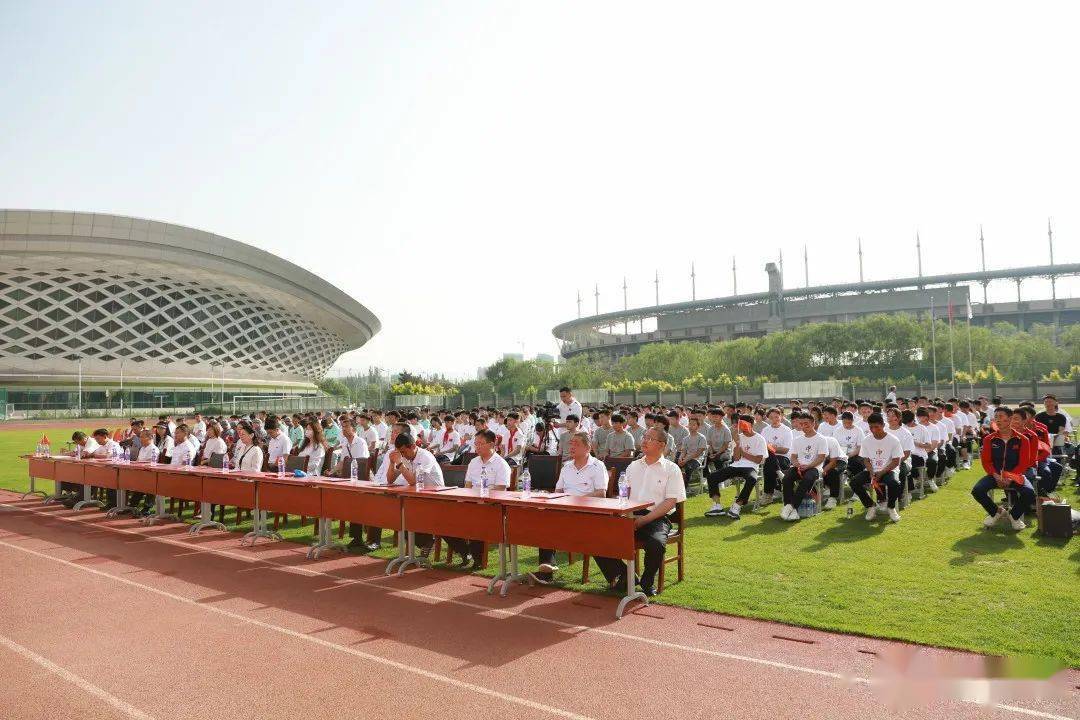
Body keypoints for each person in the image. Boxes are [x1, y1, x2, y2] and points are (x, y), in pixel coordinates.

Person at [593, 427, 686, 597]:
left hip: (657, 517)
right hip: (630, 514)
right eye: (644, 437)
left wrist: (644, 520)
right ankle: (624, 576)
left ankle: (646, 582)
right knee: (596, 537)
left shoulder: (671, 469)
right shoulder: (633, 466)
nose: (644, 441)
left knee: (656, 544)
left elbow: (670, 501)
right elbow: (624, 494)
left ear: (662, 445)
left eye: (650, 438)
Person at [531, 431, 607, 584]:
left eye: (576, 444)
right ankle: (547, 568)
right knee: (544, 518)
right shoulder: (566, 467)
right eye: (571, 443)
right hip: (564, 510)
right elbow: (558, 491)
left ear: (588, 447)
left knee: (551, 521)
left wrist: (576, 501)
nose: (572, 447)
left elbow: (601, 494)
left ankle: (547, 571)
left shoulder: (597, 466)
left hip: (587, 513)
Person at [972, 406, 1034, 531]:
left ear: (1010, 419)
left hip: (1015, 475)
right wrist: (995, 475)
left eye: (1001, 417)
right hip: (995, 475)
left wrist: (1010, 477)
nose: (997, 420)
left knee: (1029, 493)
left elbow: (1024, 463)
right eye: (995, 417)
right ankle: (996, 512)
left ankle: (1014, 516)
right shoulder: (989, 439)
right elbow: (986, 462)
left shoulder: (1023, 439)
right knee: (977, 490)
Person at [385, 433, 445, 556]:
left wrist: (400, 463)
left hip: (436, 497)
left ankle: (427, 542)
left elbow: (413, 481)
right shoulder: (405, 457)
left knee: (408, 515)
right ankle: (426, 543)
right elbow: (390, 480)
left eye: (403, 452)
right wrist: (392, 462)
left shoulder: (425, 456)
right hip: (419, 496)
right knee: (401, 517)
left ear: (412, 446)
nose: (402, 455)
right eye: (400, 453)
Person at [704, 416, 766, 519]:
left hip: (751, 467)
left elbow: (758, 460)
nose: (742, 427)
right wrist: (737, 443)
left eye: (744, 424)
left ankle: (737, 505)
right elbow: (737, 458)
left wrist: (743, 453)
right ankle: (717, 506)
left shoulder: (760, 439)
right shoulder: (739, 437)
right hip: (737, 465)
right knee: (712, 477)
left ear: (751, 424)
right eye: (740, 424)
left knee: (751, 479)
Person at [850, 413, 904, 522]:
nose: (873, 430)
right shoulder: (866, 440)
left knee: (894, 483)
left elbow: (896, 461)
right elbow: (866, 459)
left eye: (876, 427)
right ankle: (870, 505)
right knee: (854, 482)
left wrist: (882, 472)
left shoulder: (893, 440)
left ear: (883, 425)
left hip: (889, 470)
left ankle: (891, 507)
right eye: (871, 427)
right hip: (872, 470)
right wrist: (871, 471)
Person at [779, 412, 829, 522]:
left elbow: (821, 458)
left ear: (813, 423)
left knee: (807, 479)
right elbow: (793, 457)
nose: (803, 427)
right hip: (799, 467)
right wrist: (796, 463)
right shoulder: (797, 439)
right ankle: (791, 508)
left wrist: (808, 466)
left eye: (806, 424)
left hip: (814, 468)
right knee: (786, 478)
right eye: (801, 424)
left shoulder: (821, 439)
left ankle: (791, 507)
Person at [760, 408, 793, 503]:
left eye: (776, 417)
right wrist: (771, 448)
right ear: (768, 418)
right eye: (771, 417)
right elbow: (762, 447)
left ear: (781, 417)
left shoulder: (787, 430)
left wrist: (772, 448)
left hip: (783, 458)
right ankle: (778, 471)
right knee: (769, 458)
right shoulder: (765, 430)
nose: (774, 419)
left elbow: (785, 450)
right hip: (768, 457)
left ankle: (768, 494)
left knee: (769, 464)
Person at [677, 417, 708, 487]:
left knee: (688, 467)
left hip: (697, 460)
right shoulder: (685, 439)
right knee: (675, 466)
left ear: (698, 426)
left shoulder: (702, 438)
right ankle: (676, 486)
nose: (691, 426)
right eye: (690, 424)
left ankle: (684, 487)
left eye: (693, 425)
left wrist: (685, 460)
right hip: (686, 458)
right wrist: (680, 458)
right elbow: (683, 451)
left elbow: (698, 453)